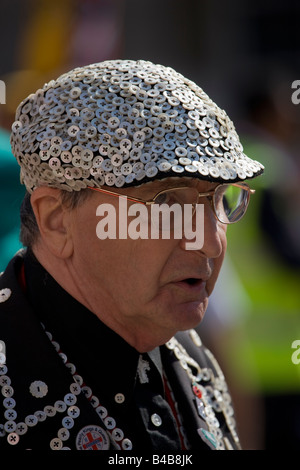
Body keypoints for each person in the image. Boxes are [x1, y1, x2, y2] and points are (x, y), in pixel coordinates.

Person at [0, 59, 264, 451]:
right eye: (166, 204)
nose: (210, 242)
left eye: (220, 199)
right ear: (57, 220)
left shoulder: (190, 356)